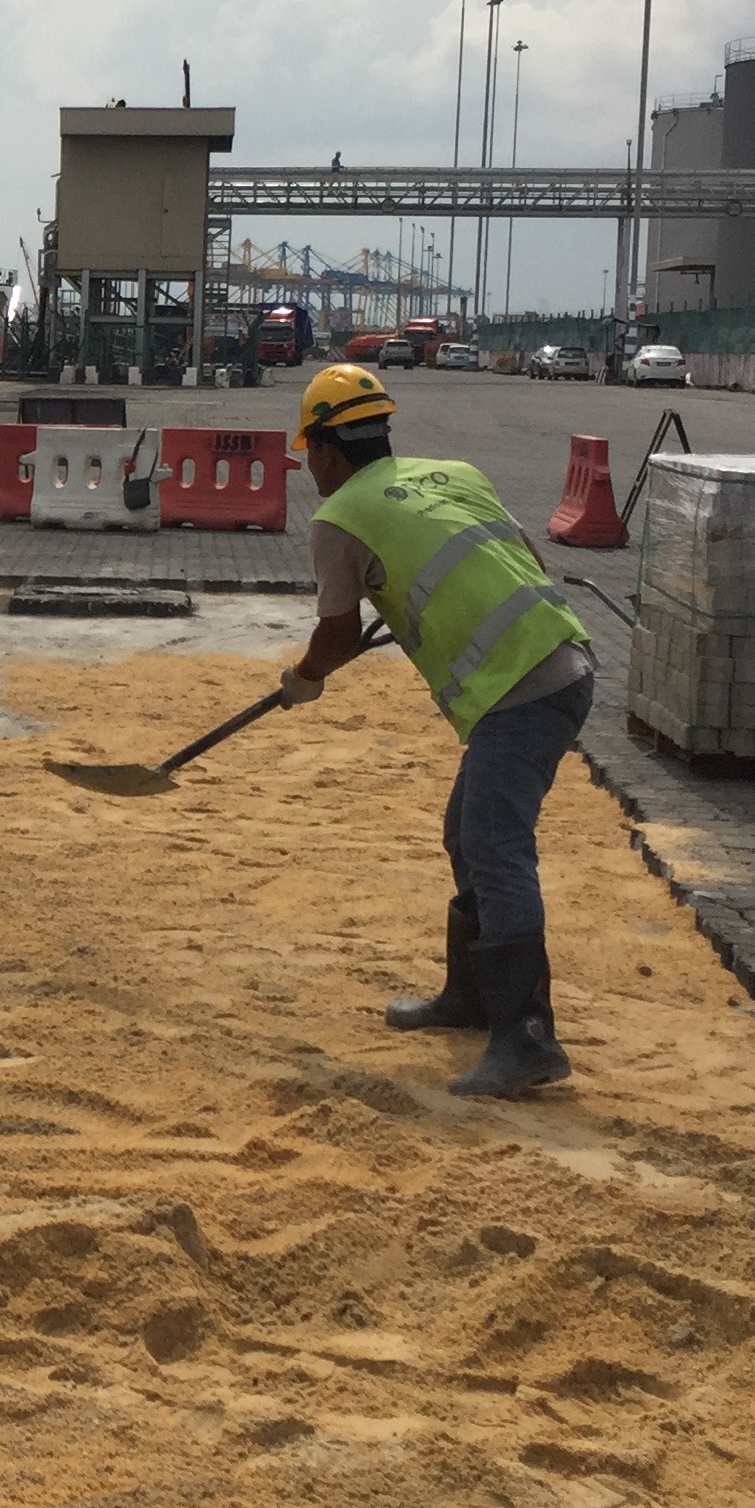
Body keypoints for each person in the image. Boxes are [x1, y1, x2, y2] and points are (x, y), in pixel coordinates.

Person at [275, 362, 595, 1097]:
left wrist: (303, 681)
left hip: (521, 690)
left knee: (494, 847)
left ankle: (528, 1038)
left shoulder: (338, 519)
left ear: (326, 450)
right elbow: (524, 558)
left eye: (309, 456)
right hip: (563, 658)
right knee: (467, 834)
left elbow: (334, 638)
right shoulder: (455, 472)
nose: (309, 471)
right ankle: (473, 998)